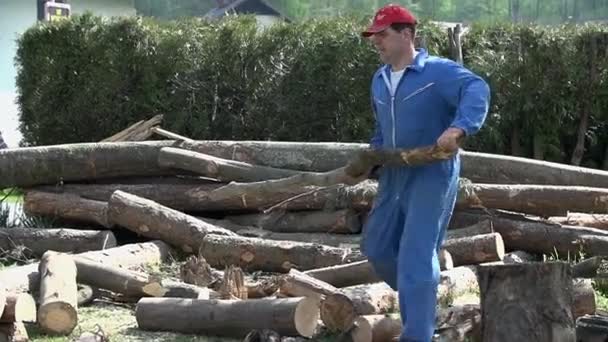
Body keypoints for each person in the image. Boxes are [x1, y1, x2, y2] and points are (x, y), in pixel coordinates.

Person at [359, 4, 490, 342]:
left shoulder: (437, 72)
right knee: (376, 245)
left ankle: (417, 334)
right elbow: (383, 129)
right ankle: (422, 300)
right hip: (393, 174)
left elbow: (477, 89)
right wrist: (371, 157)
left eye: (383, 34)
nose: (377, 41)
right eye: (374, 35)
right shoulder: (380, 80)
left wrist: (459, 128)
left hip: (433, 173)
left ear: (407, 34)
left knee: (417, 252)